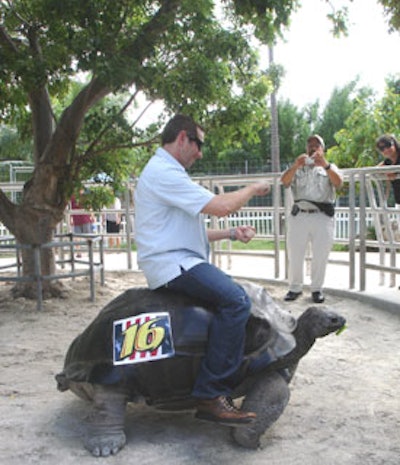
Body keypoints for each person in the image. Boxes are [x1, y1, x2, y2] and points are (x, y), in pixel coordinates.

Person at [134, 114, 271, 426]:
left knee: (229, 298)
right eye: (199, 144)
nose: (200, 153)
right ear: (183, 138)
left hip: (174, 257)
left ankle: (210, 382)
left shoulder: (166, 173)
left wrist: (230, 234)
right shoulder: (164, 174)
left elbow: (183, 232)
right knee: (236, 300)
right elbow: (221, 206)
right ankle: (211, 393)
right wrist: (252, 188)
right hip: (172, 264)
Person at [280, 134, 343, 304]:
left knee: (321, 254)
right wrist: (295, 165)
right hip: (300, 214)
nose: (312, 148)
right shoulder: (298, 168)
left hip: (322, 216)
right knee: (295, 253)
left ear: (323, 149)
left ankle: (316, 289)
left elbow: (338, 183)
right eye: (310, 145)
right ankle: (295, 288)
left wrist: (326, 166)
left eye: (317, 145)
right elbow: (284, 181)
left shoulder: (330, 167)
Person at [375, 134, 400, 204]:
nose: (386, 150)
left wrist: (395, 172)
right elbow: (374, 170)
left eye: (388, 145)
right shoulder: (387, 162)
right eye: (381, 148)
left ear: (394, 143)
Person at [70, 189, 94, 257]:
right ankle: (79, 252)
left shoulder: (85, 196)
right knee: (77, 237)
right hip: (77, 219)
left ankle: (89, 251)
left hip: (85, 218)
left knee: (88, 236)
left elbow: (89, 206)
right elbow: (71, 207)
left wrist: (92, 215)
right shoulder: (73, 197)